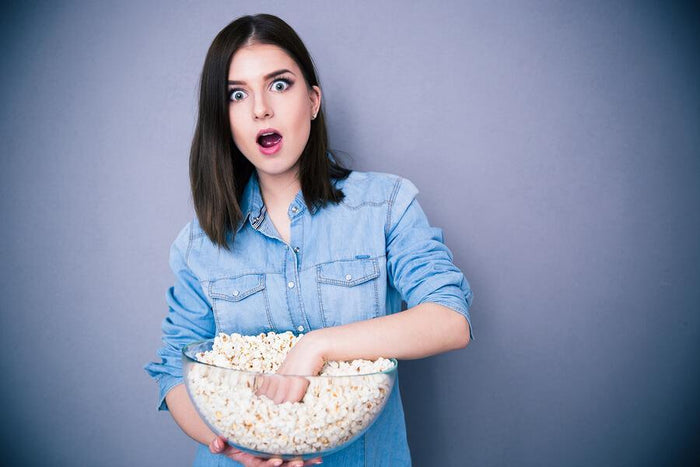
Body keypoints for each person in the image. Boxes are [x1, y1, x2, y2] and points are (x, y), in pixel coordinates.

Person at [145, 13, 473, 467]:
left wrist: (315, 347)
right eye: (237, 95)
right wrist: (242, 443)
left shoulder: (385, 206)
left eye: (279, 85)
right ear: (224, 119)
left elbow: (449, 319)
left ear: (313, 100)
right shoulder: (199, 245)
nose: (261, 108)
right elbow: (172, 368)